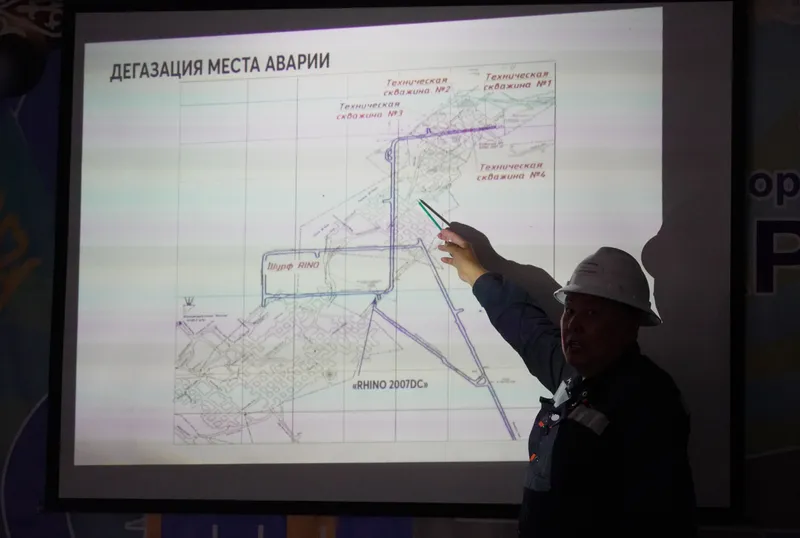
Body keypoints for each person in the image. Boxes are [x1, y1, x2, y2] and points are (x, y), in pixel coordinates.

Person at [437, 228, 697, 537]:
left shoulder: (650, 401)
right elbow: (526, 329)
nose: (573, 324)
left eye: (592, 313)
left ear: (630, 324)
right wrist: (475, 273)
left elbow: (658, 518)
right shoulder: (575, 377)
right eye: (570, 310)